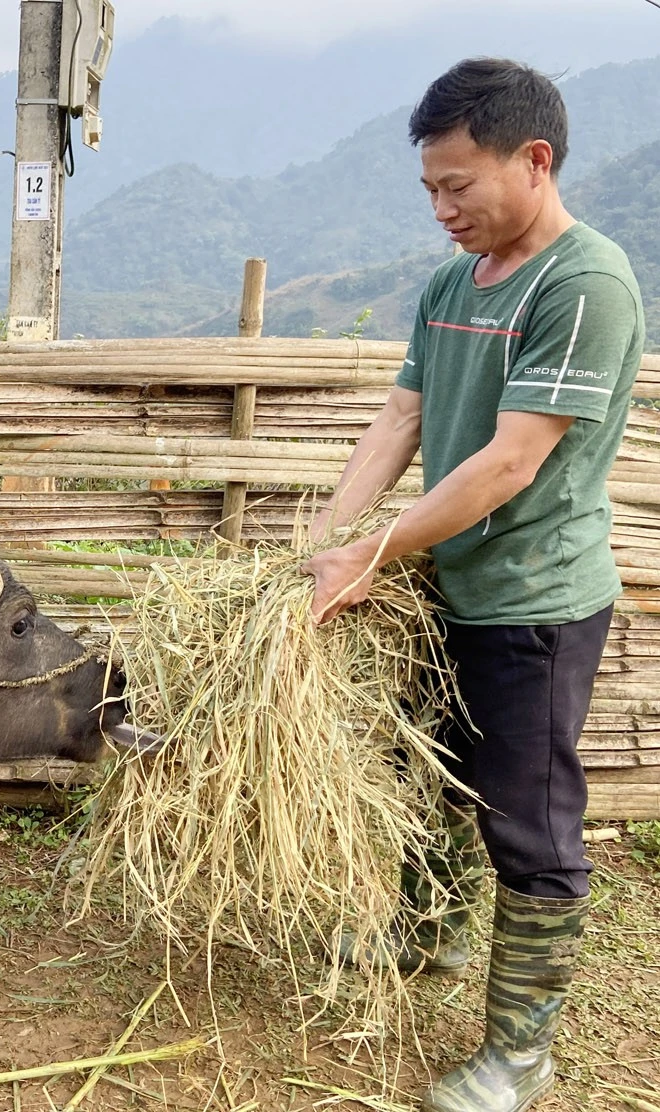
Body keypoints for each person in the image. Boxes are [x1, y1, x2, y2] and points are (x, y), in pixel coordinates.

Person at [302, 57, 645, 1112]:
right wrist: (326, 534)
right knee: (429, 775)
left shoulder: (585, 284)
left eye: (461, 185)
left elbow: (509, 462)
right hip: (442, 588)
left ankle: (520, 1053)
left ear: (533, 161)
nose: (444, 208)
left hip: (533, 603)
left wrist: (375, 551)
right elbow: (403, 418)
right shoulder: (454, 284)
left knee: (527, 820)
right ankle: (424, 937)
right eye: (431, 190)